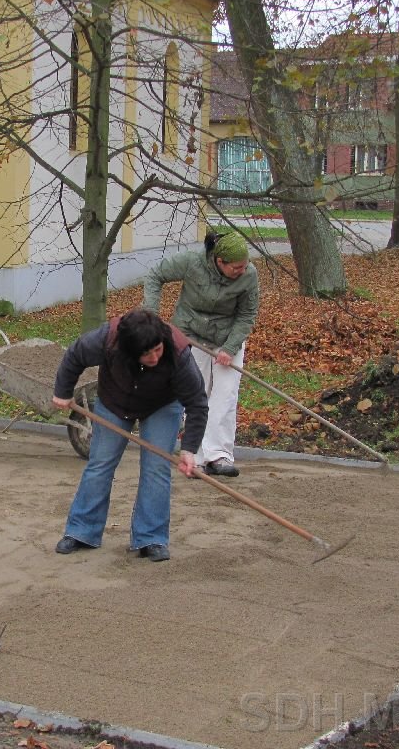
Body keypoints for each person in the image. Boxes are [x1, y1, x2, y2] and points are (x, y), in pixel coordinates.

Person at [52, 308, 208, 562]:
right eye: (146, 354)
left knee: (156, 468)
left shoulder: (179, 353)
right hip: (115, 400)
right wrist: (63, 391)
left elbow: (197, 403)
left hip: (161, 404)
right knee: (100, 464)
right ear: (129, 351)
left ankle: (152, 537)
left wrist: (189, 449)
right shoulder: (107, 340)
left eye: (157, 349)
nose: (154, 357)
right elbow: (75, 355)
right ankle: (81, 531)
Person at [143, 231, 259, 478]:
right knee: (197, 394)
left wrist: (230, 347)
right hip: (191, 336)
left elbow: (247, 315)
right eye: (236, 267)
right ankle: (195, 457)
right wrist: (151, 315)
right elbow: (155, 275)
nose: (242, 270)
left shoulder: (249, 275)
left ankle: (219, 456)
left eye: (244, 265)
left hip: (227, 338)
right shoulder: (192, 262)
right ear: (220, 261)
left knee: (226, 395)